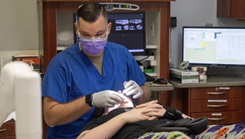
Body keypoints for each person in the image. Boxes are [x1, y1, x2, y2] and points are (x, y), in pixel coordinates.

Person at [41, 1, 151, 139]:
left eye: (99, 34)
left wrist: (139, 93)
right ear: (76, 29)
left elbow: (146, 92)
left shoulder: (121, 55)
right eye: (86, 35)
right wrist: (89, 101)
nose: (93, 41)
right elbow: (51, 118)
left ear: (109, 28)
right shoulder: (61, 65)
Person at [77, 100, 192, 139]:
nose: (120, 93)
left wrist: (168, 112)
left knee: (207, 130)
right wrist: (124, 117)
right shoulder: (105, 119)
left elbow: (194, 122)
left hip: (182, 130)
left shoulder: (151, 107)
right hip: (146, 136)